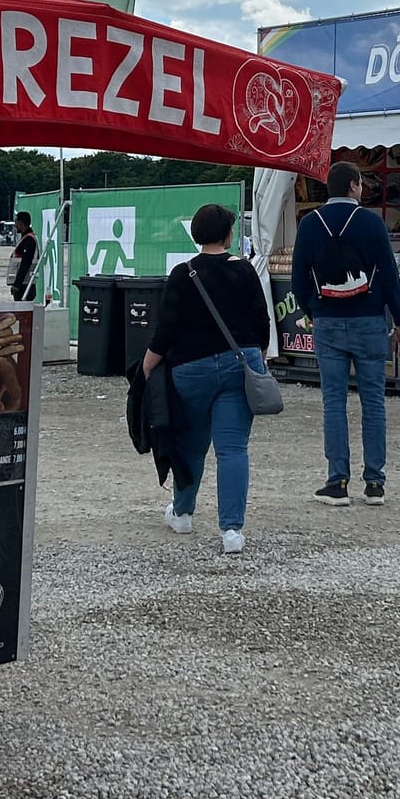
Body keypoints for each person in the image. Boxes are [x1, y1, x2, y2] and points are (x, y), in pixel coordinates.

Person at [140, 204, 270, 555]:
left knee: (191, 443)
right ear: (229, 235)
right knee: (232, 448)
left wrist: (148, 364)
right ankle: (232, 532)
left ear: (197, 235)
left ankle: (182, 513)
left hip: (191, 369)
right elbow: (262, 324)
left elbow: (165, 327)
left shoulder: (183, 274)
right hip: (238, 364)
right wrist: (257, 358)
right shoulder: (245, 271)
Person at [292, 159, 400, 506]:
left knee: (333, 402)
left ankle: (337, 481)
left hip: (327, 320)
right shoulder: (372, 223)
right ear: (355, 186)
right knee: (373, 401)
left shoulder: (309, 224)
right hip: (369, 319)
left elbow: (299, 279)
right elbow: (389, 275)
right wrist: (399, 322)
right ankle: (374, 482)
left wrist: (313, 310)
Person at [8, 211, 38, 302]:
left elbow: (25, 263)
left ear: (21, 223)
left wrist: (17, 284)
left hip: (25, 285)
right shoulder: (26, 238)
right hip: (24, 284)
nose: (15, 225)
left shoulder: (29, 240)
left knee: (22, 313)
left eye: (16, 223)